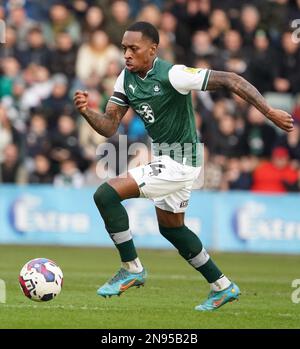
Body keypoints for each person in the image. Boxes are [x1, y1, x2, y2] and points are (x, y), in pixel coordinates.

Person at [74, 22, 293, 311]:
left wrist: (268, 112)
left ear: (152, 50)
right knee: (172, 228)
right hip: (166, 158)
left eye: (133, 48)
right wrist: (87, 112)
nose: (126, 54)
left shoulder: (173, 74)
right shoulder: (124, 79)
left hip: (180, 161)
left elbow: (230, 79)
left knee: (105, 194)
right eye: (124, 48)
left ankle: (132, 267)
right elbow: (109, 126)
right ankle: (222, 286)